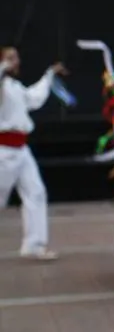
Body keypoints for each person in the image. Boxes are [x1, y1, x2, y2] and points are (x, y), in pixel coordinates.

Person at [0, 46, 66, 260]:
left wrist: (49, 75)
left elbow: (34, 98)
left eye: (16, 57)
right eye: (10, 58)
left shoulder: (15, 87)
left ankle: (34, 245)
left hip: (21, 149)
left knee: (36, 192)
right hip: (3, 150)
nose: (15, 62)